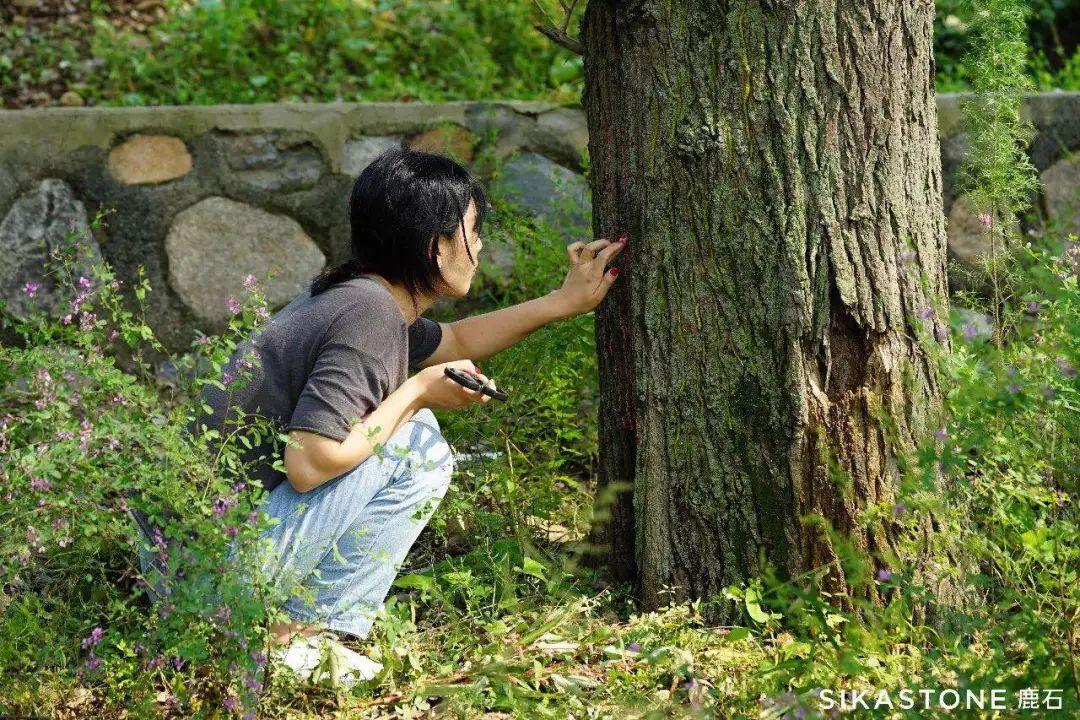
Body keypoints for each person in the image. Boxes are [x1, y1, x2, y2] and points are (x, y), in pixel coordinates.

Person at [193, 146, 626, 685]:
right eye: (472, 228)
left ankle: (284, 634)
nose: (481, 243)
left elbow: (462, 338)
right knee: (416, 444)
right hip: (210, 580)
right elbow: (310, 462)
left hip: (189, 563)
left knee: (406, 426)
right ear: (436, 246)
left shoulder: (360, 297)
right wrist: (417, 394)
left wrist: (563, 302)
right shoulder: (369, 315)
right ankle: (291, 640)